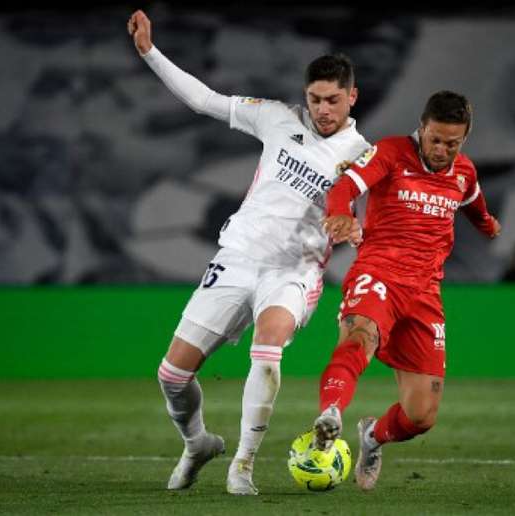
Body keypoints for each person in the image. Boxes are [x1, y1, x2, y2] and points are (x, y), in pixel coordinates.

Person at [127, 10, 369, 495]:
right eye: (316, 99)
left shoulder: (364, 153)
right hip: (237, 258)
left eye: (333, 100)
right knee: (172, 375)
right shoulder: (276, 117)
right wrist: (150, 53)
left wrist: (360, 229)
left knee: (267, 350)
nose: (323, 109)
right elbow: (203, 100)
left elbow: (378, 215)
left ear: (352, 97)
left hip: (293, 271)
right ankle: (198, 444)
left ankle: (243, 463)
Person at [311, 91, 501, 491]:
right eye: (435, 139)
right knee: (360, 334)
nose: (442, 149)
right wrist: (342, 214)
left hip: (425, 293)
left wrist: (486, 225)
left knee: (421, 416)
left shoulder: (463, 171)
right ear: (422, 127)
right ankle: (330, 414)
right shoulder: (391, 153)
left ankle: (372, 436)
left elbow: (474, 201)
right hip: (378, 272)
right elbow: (345, 186)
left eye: (453, 142)